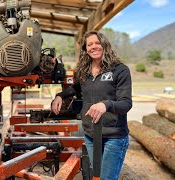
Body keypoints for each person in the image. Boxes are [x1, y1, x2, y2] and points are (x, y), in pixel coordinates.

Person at [51, 30, 132, 180]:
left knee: (106, 178)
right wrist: (60, 96)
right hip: (91, 135)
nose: (93, 47)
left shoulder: (120, 70)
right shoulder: (83, 71)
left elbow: (126, 103)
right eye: (89, 44)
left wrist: (105, 105)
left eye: (97, 43)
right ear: (85, 49)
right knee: (97, 176)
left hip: (113, 137)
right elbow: (76, 87)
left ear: (104, 45)